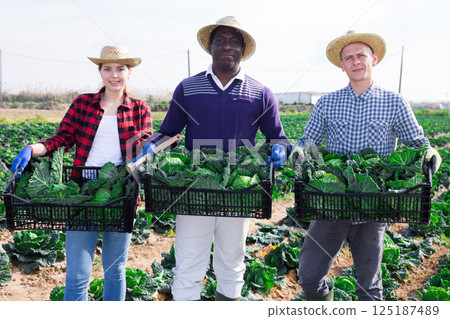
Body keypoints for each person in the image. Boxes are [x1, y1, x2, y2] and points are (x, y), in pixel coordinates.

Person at [139, 16, 291, 301]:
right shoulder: (188, 87)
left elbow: (277, 137)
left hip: (238, 192)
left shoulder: (261, 92)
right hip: (193, 190)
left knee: (232, 263)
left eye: (234, 41)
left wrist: (281, 148)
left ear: (243, 50)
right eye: (220, 40)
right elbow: (168, 130)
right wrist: (153, 144)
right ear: (210, 47)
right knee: (188, 263)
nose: (227, 46)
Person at [289, 31, 442, 301]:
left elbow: (417, 142)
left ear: (374, 58)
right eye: (349, 57)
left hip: (374, 204)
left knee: (369, 287)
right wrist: (300, 151)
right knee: (309, 276)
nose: (356, 61)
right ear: (342, 65)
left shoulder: (394, 102)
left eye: (361, 55)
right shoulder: (327, 102)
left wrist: (430, 153)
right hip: (331, 201)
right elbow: (308, 141)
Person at [11, 45, 153, 301]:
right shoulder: (83, 104)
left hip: (121, 194)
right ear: (100, 71)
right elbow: (61, 139)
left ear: (129, 73)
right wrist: (32, 148)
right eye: (107, 68)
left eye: (120, 69)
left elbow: (144, 144)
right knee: (76, 275)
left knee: (115, 269)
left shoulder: (140, 109)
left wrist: (148, 147)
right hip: (81, 193)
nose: (114, 75)